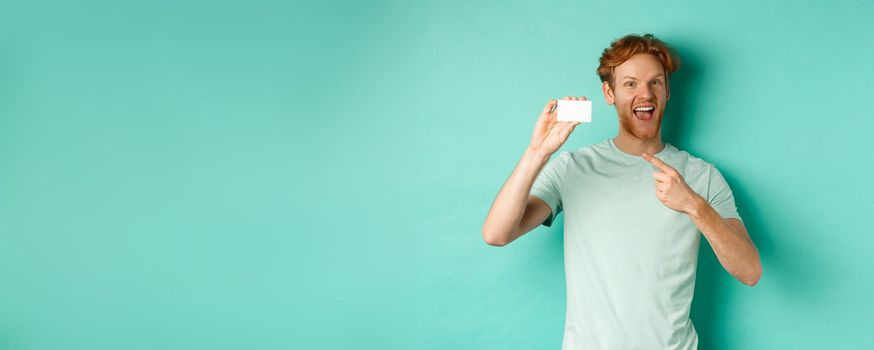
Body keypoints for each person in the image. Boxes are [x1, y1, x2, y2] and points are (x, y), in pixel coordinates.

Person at [481, 33, 762, 349]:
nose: (645, 93)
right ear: (609, 92)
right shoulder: (572, 167)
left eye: (655, 83)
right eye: (631, 84)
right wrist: (537, 152)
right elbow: (496, 233)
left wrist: (694, 206)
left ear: (668, 91)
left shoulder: (701, 176)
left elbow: (749, 271)